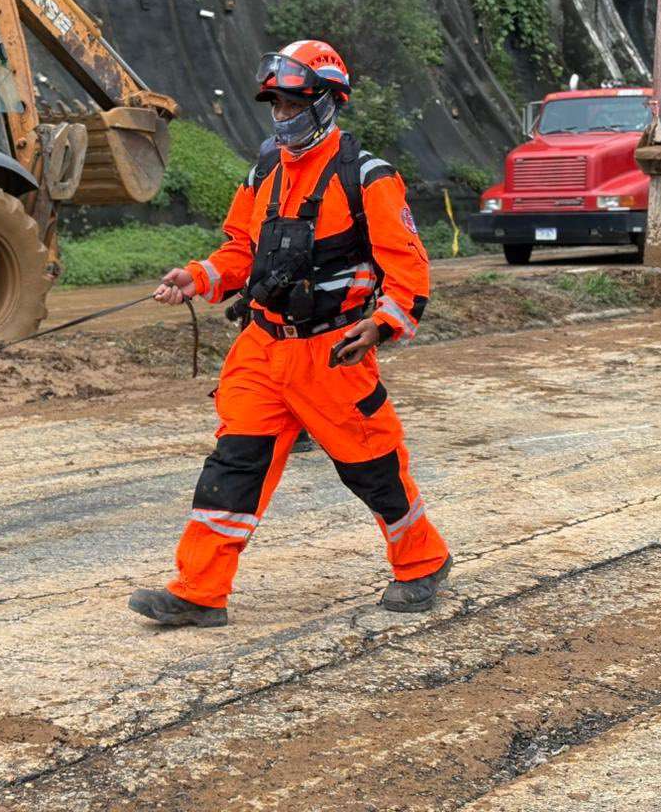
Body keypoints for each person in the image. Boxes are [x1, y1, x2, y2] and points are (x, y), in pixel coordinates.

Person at [129, 40, 451, 627]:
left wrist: (381, 325)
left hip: (333, 352)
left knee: (373, 468)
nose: (282, 116)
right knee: (233, 465)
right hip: (262, 346)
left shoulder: (368, 177)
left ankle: (423, 561)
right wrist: (197, 277)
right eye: (276, 105)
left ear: (327, 102)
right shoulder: (264, 172)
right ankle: (199, 592)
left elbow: (408, 269)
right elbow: (240, 250)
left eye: (293, 104)